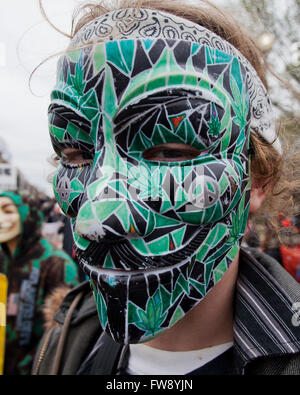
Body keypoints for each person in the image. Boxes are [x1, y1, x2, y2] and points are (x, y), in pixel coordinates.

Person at [33, 0, 300, 375]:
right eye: (76, 154)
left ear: (257, 179)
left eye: (169, 152)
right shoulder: (68, 337)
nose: (96, 219)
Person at [0, 190, 79, 375]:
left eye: (8, 210)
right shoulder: (2, 260)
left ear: (28, 215)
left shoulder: (55, 263)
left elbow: (63, 335)